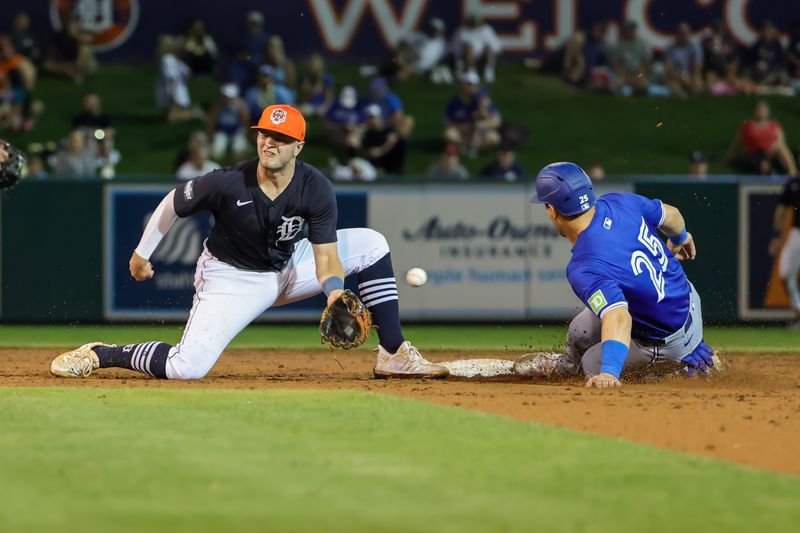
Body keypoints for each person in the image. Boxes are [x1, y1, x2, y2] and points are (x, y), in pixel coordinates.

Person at [50, 104, 448, 381]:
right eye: (264, 134)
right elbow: (174, 202)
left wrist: (333, 293)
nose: (269, 142)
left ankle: (394, 355)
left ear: (298, 147)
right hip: (232, 278)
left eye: (281, 136)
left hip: (290, 265)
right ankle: (102, 353)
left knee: (372, 243)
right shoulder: (226, 181)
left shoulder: (316, 188)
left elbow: (326, 257)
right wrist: (142, 254)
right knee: (186, 368)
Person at [514, 162, 718, 388]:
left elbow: (619, 316)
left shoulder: (584, 266)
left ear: (552, 210)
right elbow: (673, 215)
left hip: (666, 340)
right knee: (580, 329)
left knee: (593, 364)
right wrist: (681, 238)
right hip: (687, 300)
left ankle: (675, 368)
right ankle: (567, 367)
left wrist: (609, 373)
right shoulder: (620, 202)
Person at [723, 101, 797, 176]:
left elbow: (781, 141)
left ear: (767, 112)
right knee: (763, 166)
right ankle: (769, 175)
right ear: (755, 111)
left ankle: (793, 173)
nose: (761, 112)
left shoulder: (774, 125)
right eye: (759, 110)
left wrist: (773, 149)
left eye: (763, 110)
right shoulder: (747, 126)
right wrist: (727, 160)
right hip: (753, 155)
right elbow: (735, 146)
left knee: (781, 148)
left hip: (772, 153)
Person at [443, 71, 501, 156]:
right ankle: (463, 148)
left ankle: (472, 148)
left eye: (473, 84)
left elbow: (496, 120)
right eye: (468, 84)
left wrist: (483, 121)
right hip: (462, 132)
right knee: (449, 134)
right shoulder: (455, 102)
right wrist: (465, 127)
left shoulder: (482, 100)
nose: (471, 87)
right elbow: (447, 122)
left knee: (493, 138)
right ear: (462, 85)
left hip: (479, 133)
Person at [769, 176, 800, 325]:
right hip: (797, 233)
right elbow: (781, 208)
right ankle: (798, 310)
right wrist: (777, 237)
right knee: (785, 273)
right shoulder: (794, 183)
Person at [451, 13, 502, 82]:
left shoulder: (486, 30)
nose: (474, 24)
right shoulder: (462, 31)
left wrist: (487, 52)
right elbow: (455, 49)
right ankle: (471, 71)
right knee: (468, 47)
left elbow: (495, 47)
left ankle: (488, 71)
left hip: (482, 55)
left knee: (488, 49)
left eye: (476, 22)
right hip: (465, 56)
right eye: (472, 22)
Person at [207, 83, 250, 160]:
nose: (226, 98)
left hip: (237, 130)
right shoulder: (218, 104)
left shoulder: (241, 104)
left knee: (239, 153)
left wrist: (246, 135)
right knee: (216, 153)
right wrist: (210, 135)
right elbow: (211, 120)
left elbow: (245, 121)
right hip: (222, 130)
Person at [358, 104, 405, 175]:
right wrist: (388, 144)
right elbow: (374, 153)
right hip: (376, 168)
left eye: (373, 117)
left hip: (393, 167)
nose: (371, 120)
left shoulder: (390, 131)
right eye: (369, 117)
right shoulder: (367, 134)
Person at [609, 20, 651, 96]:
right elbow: (615, 64)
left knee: (643, 84)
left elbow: (647, 63)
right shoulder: (619, 45)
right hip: (624, 74)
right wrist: (624, 75)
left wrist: (638, 75)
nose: (630, 31)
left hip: (638, 74)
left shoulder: (642, 43)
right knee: (614, 84)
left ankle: (636, 92)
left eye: (632, 29)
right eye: (628, 29)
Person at [664, 22, 704, 97]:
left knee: (698, 86)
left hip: (690, 75)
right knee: (679, 93)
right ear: (677, 34)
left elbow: (697, 65)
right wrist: (681, 79)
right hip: (676, 76)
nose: (683, 35)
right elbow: (670, 68)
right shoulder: (670, 48)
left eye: (685, 33)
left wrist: (694, 78)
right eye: (681, 33)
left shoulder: (695, 46)